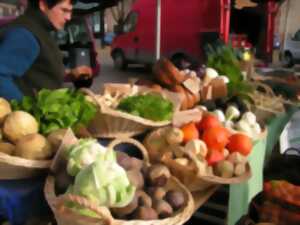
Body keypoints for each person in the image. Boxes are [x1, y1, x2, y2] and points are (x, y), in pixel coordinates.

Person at [0, 0, 92, 101]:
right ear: (43, 5)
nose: (68, 17)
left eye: (70, 11)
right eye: (64, 10)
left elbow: (35, 72)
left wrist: (70, 73)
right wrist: (27, 110)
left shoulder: (39, 29)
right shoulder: (24, 34)